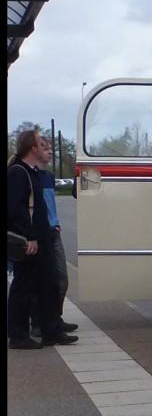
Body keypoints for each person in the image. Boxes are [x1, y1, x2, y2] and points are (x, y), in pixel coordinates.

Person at [7, 129, 77, 349]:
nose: (45, 147)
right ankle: (18, 336)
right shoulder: (18, 172)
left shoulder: (33, 172)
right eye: (40, 143)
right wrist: (29, 237)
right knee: (24, 286)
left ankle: (51, 330)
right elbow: (15, 210)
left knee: (48, 285)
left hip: (43, 237)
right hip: (30, 241)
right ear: (33, 148)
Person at [31, 135, 78, 340]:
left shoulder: (48, 176)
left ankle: (54, 318)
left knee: (61, 279)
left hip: (53, 231)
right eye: (45, 148)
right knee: (40, 280)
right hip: (38, 233)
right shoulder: (27, 175)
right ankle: (39, 323)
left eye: (51, 148)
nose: (50, 151)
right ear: (33, 150)